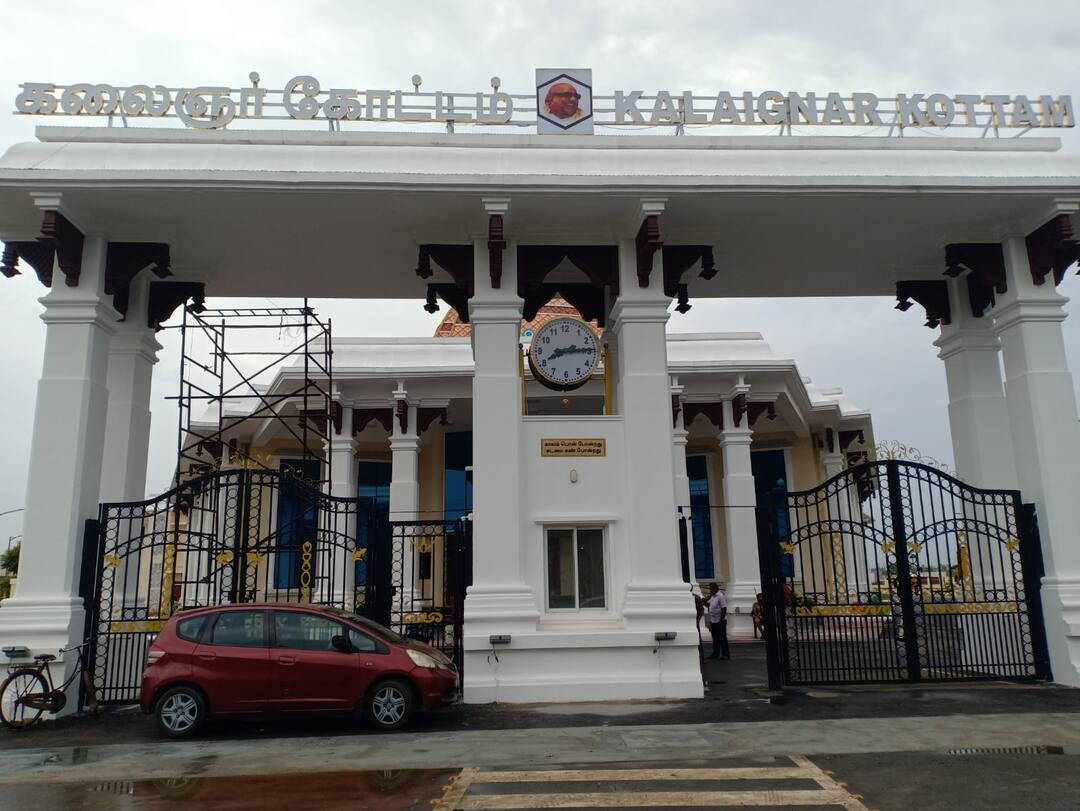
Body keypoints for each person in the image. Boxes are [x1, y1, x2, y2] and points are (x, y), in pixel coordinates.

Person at [706, 582, 730, 660]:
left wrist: (721, 620)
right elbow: (708, 605)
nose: (710, 590)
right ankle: (715, 653)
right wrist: (705, 599)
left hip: (720, 621)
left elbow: (724, 609)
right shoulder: (713, 597)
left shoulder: (720, 596)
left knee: (722, 638)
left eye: (711, 588)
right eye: (710, 589)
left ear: (716, 588)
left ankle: (725, 654)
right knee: (715, 638)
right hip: (713, 620)